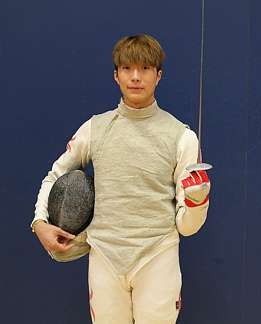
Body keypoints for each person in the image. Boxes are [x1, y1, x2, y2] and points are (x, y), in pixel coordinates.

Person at [31, 34, 211, 324]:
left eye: (145, 69)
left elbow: (187, 227)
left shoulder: (182, 137)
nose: (136, 77)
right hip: (105, 256)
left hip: (157, 255)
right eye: (127, 69)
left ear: (158, 75)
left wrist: (197, 201)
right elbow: (56, 175)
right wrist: (39, 222)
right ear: (116, 76)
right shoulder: (96, 128)